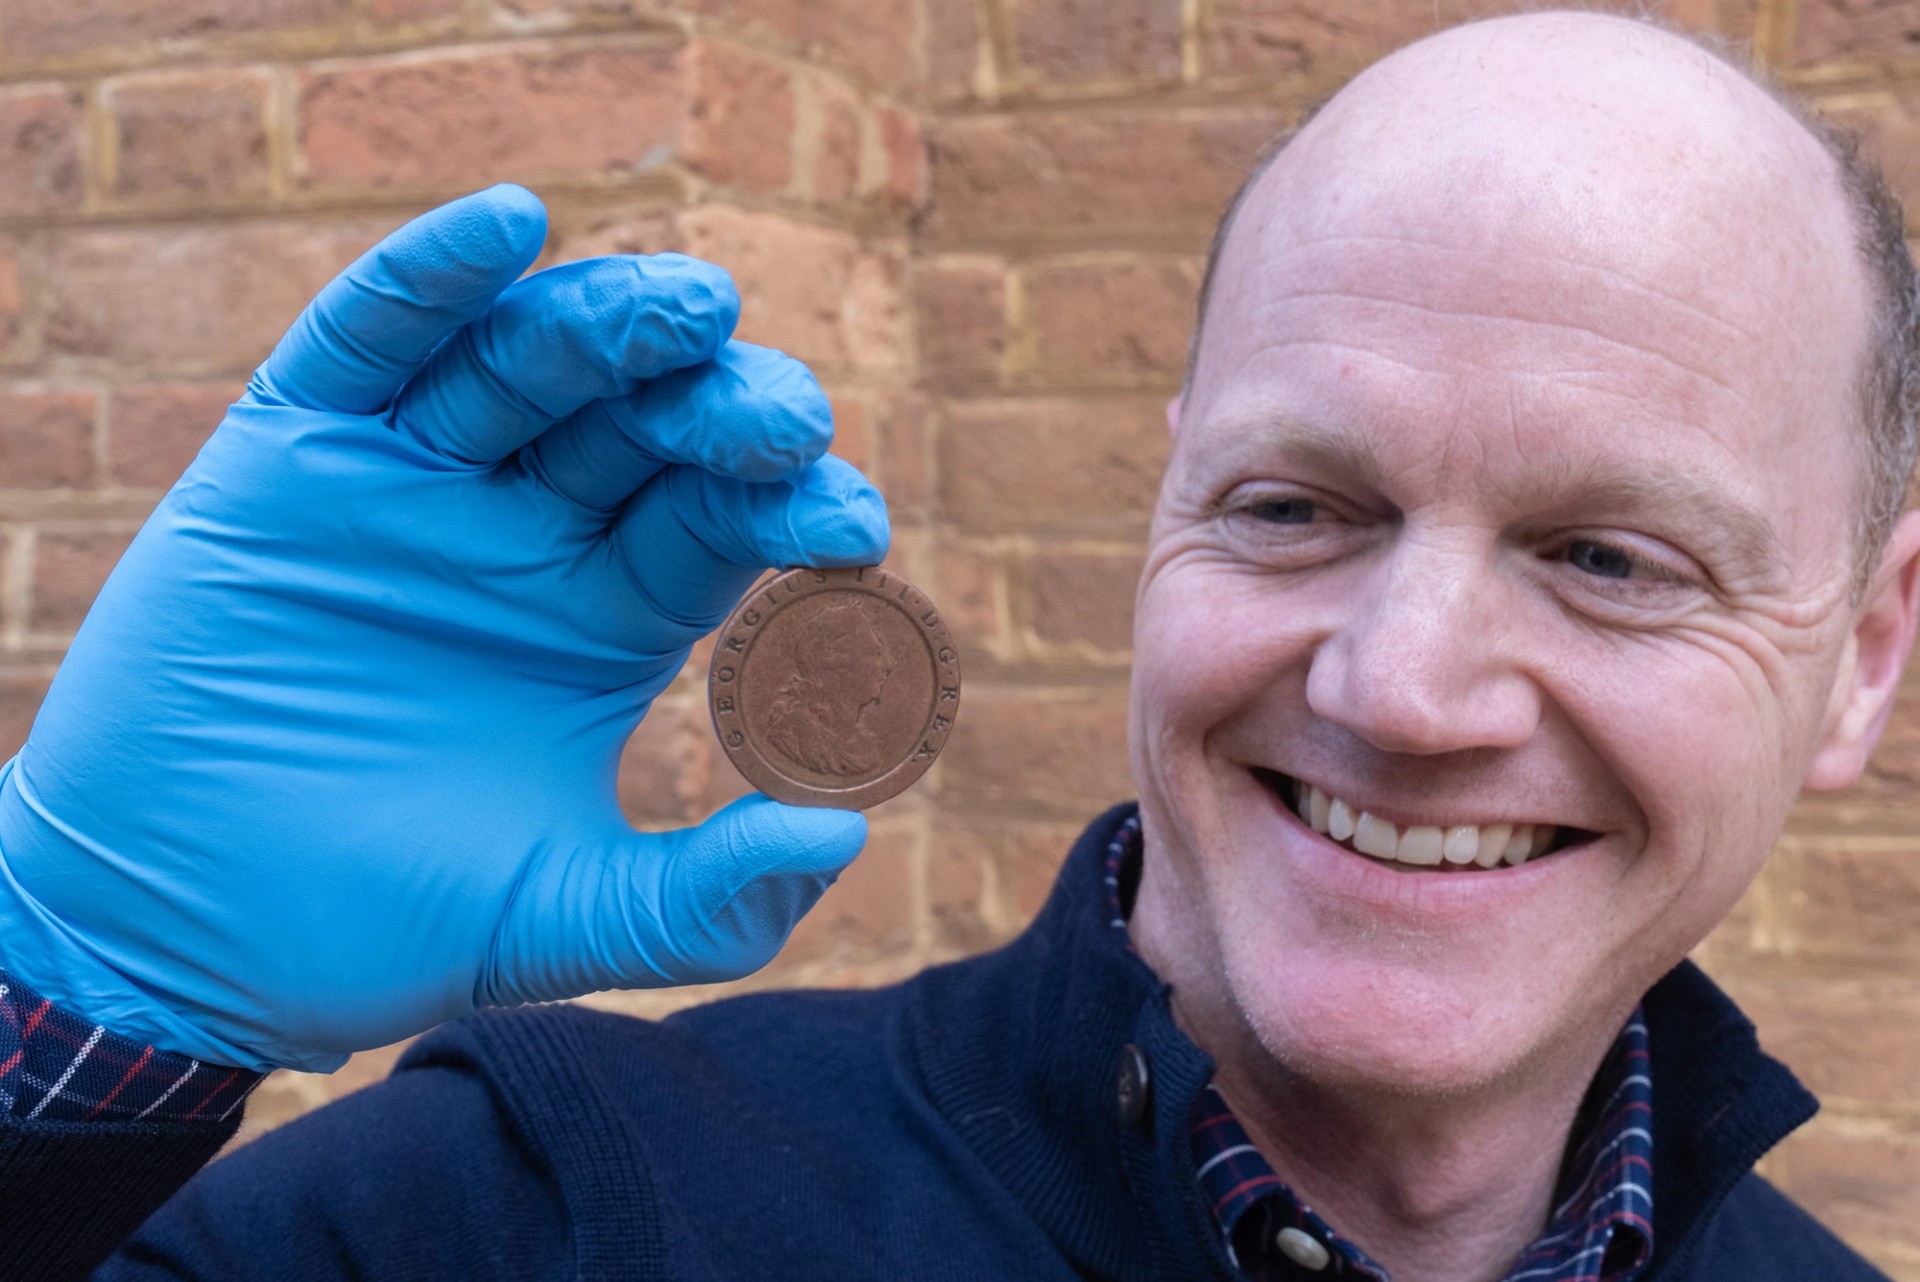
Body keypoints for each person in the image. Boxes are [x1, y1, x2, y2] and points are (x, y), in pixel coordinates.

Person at [0, 9, 1909, 1280]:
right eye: (1294, 506)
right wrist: (77, 1019)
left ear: (1865, 652)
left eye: (1608, 556)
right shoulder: (524, 1214)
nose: (1400, 688)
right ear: (1167, 511)